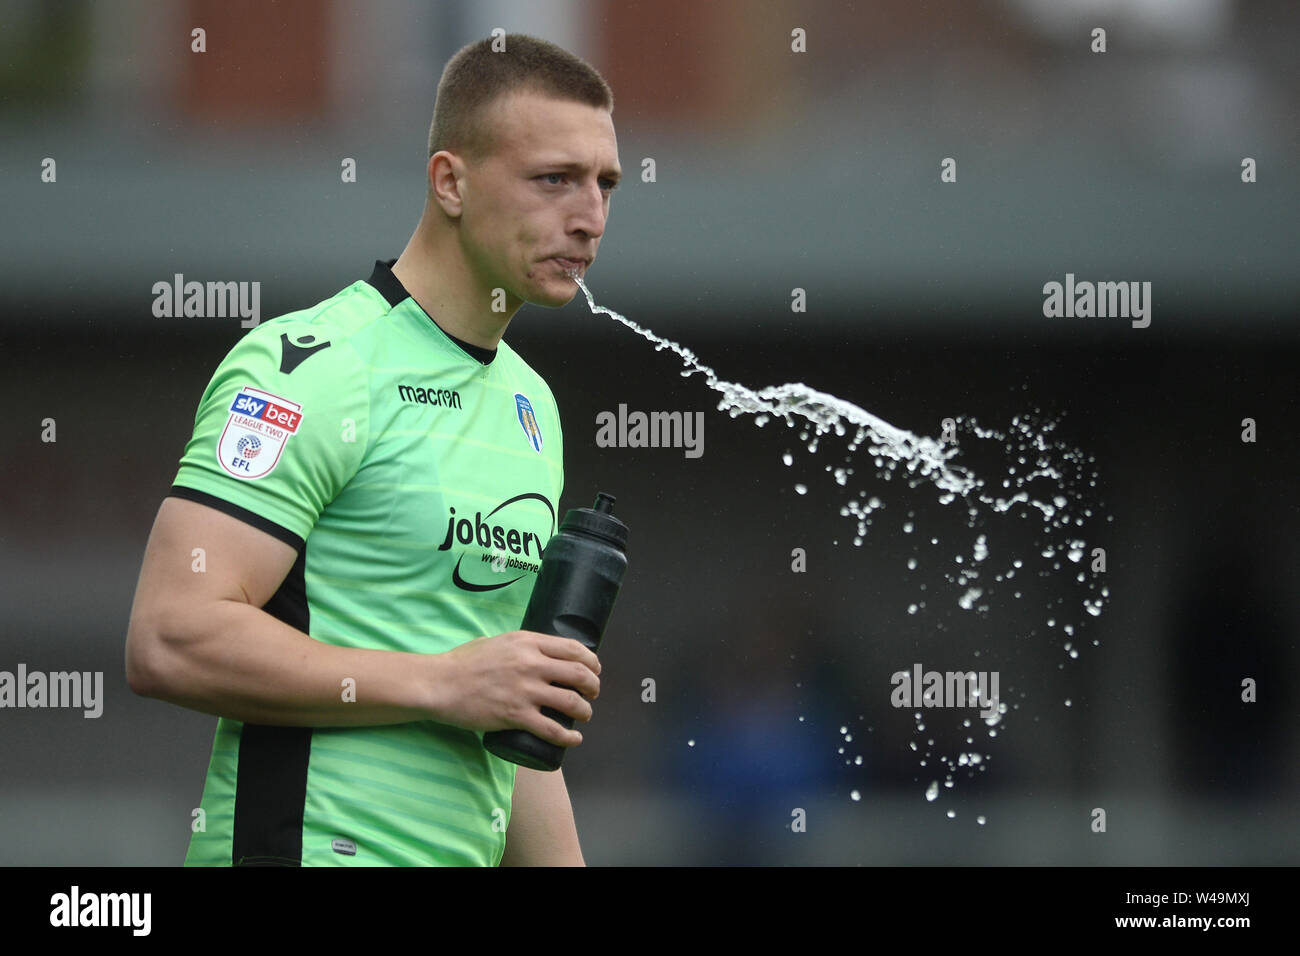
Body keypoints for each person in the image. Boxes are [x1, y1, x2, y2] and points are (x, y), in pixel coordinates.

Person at [124, 33, 622, 867]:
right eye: (553, 179)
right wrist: (441, 682)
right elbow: (170, 636)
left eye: (606, 183)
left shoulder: (531, 403)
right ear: (450, 181)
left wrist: (484, 690)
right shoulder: (317, 366)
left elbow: (510, 712)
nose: (590, 216)